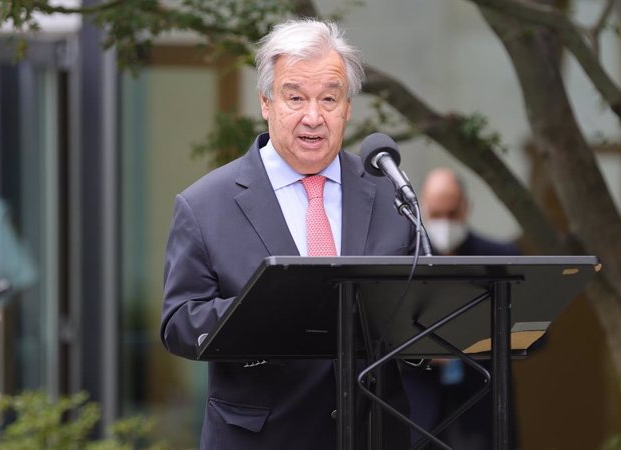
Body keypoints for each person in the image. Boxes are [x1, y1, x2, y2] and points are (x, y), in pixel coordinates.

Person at [160, 19, 415, 450]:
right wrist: (262, 312)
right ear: (266, 101)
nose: (312, 117)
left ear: (348, 107)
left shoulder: (390, 194)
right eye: (295, 97)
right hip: (262, 437)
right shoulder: (205, 205)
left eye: (328, 99)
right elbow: (179, 323)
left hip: (375, 432)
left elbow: (416, 307)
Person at [402, 167, 520, 449]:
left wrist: (469, 345)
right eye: (436, 214)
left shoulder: (501, 258)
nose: (443, 222)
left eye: (451, 213)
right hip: (416, 411)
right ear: (423, 209)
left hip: (480, 406)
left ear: (466, 207)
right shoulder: (403, 258)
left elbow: (534, 334)